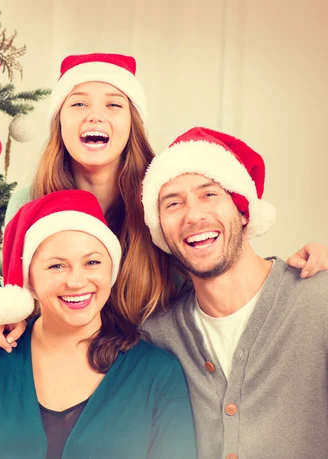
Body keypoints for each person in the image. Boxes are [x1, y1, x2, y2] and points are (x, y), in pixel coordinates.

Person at [0, 52, 328, 349]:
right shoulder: (29, 203)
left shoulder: (165, 199)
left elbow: (218, 261)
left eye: (114, 104)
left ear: (132, 123)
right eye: (79, 103)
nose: (95, 115)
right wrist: (2, 320)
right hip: (58, 367)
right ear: (59, 122)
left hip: (150, 374)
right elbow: (19, 300)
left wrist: (301, 270)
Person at [0, 190, 196, 459]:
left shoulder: (158, 373)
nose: (76, 282)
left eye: (92, 262)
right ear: (30, 280)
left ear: (111, 269)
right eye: (56, 266)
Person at [137, 126, 328, 458]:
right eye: (173, 203)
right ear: (160, 232)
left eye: (209, 194)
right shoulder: (157, 334)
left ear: (242, 211)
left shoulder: (318, 303)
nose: (193, 215)